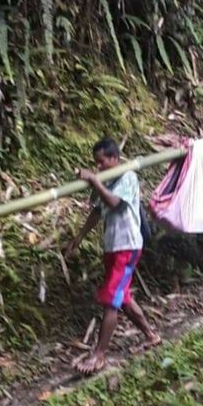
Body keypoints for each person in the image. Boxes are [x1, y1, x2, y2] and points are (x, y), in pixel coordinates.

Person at [64, 137, 161, 374]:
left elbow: (115, 202)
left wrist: (95, 180)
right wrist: (79, 238)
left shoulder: (127, 176)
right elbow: (97, 211)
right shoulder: (104, 180)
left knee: (111, 298)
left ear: (115, 159)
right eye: (95, 164)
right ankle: (151, 335)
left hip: (127, 246)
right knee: (122, 296)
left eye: (102, 162)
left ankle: (99, 355)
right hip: (112, 246)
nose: (98, 167)